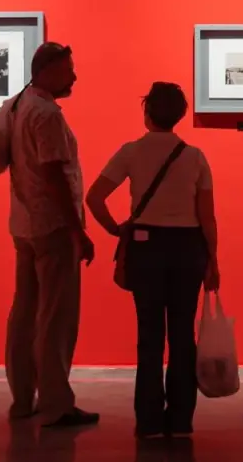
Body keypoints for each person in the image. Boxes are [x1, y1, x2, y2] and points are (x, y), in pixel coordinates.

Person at [85, 82, 220, 439]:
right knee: (181, 335)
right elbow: (207, 216)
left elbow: (94, 197)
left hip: (146, 246)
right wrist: (213, 259)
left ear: (147, 113)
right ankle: (180, 421)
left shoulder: (131, 151)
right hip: (188, 247)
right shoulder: (195, 156)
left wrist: (115, 229)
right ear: (181, 115)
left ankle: (148, 421)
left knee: (149, 336)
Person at [4, 42, 99, 427]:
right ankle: (56, 403)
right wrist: (78, 229)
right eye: (67, 70)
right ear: (46, 71)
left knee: (24, 312)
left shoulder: (18, 105)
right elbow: (55, 175)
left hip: (24, 223)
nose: (74, 77)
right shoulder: (46, 114)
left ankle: (23, 398)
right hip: (53, 226)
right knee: (56, 317)